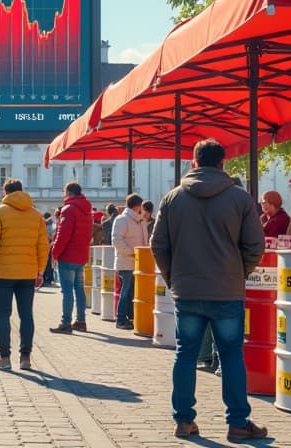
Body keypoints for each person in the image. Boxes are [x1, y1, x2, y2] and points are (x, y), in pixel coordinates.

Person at [151, 139, 267, 442]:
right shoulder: (240, 199)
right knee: (231, 355)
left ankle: (184, 421)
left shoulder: (172, 198)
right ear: (222, 164)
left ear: (193, 163)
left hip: (186, 290)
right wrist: (238, 273)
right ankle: (238, 423)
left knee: (185, 355)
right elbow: (255, 246)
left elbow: (158, 245)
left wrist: (173, 276)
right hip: (227, 290)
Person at [0, 179, 48, 371]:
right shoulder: (36, 216)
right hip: (28, 272)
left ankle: (4, 358)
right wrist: (40, 270)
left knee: (3, 313)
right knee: (26, 314)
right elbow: (42, 245)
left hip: (3, 271)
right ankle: (25, 358)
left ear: (5, 192)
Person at [49, 182, 93, 334]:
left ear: (68, 192)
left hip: (68, 255)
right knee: (79, 289)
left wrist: (54, 252)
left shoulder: (69, 209)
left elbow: (63, 235)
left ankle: (66, 322)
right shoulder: (87, 210)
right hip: (81, 254)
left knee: (67, 290)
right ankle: (81, 320)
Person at [111, 194, 149, 330]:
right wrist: (132, 252)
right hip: (127, 262)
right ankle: (121, 319)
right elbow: (116, 240)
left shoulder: (139, 220)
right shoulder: (123, 220)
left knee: (132, 292)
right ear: (138, 206)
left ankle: (129, 317)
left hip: (137, 262)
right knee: (125, 291)